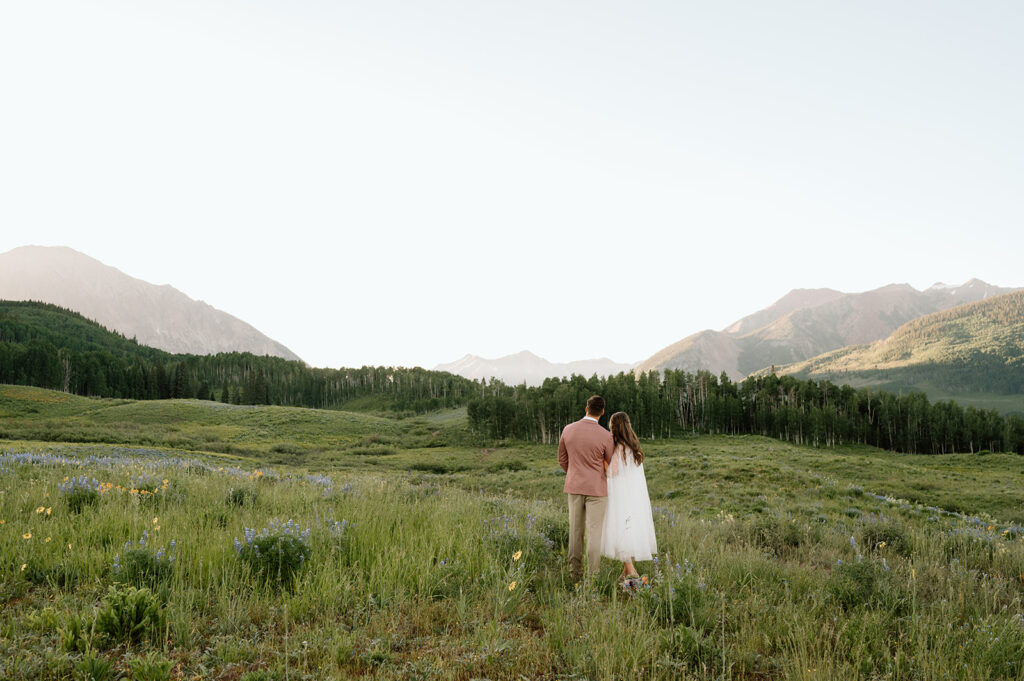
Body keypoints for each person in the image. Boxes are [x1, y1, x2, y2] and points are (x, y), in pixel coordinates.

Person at [557, 394, 616, 583]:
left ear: (586, 408)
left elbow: (562, 460)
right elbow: (611, 463)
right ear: (603, 412)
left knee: (575, 532)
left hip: (574, 488)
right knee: (594, 534)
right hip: (597, 490)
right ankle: (592, 580)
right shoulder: (606, 436)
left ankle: (574, 576)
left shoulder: (568, 429)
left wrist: (574, 473)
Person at [601, 411, 657, 580]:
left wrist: (603, 461)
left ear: (615, 428)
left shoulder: (620, 449)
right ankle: (626, 572)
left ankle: (632, 573)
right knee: (628, 530)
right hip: (634, 497)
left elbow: (612, 473)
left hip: (620, 496)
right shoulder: (634, 448)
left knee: (621, 531)